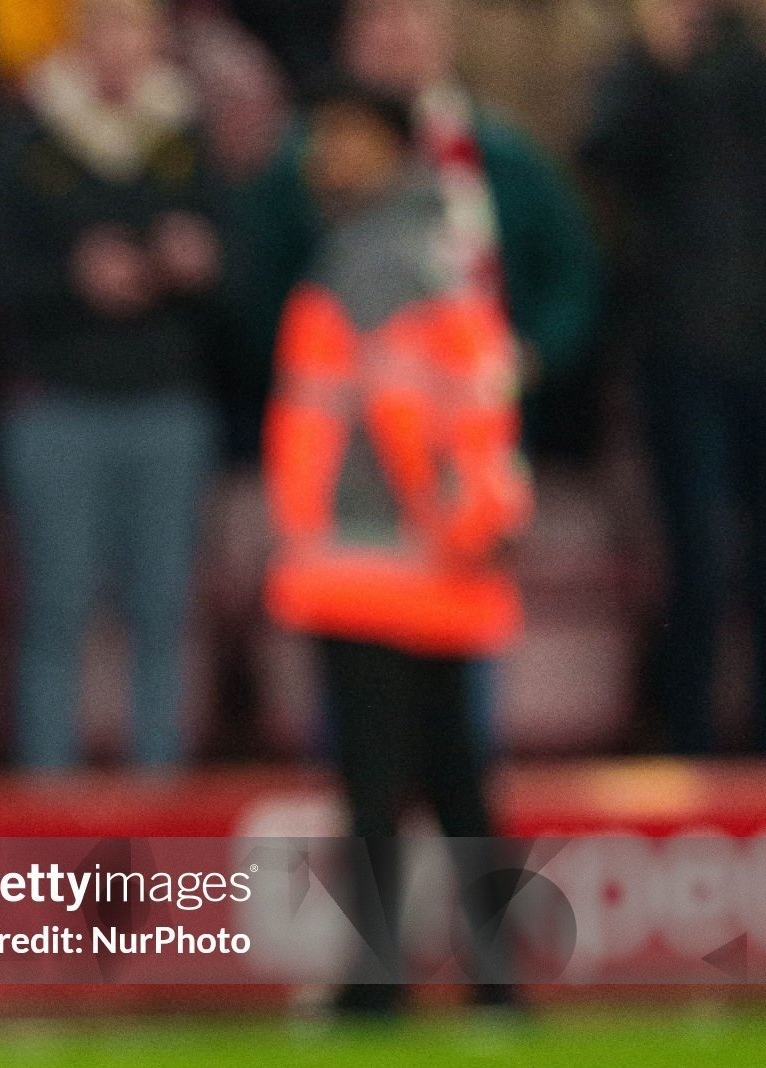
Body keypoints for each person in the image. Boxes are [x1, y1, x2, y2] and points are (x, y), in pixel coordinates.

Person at [261, 83, 530, 1011]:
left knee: (376, 785)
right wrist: (472, 524)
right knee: (456, 781)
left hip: (374, 561)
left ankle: (375, 982)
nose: (325, 155)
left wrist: (442, 521)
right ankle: (497, 977)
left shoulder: (373, 260)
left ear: (389, 148)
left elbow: (404, 404)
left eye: (344, 135)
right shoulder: (430, 247)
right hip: (434, 565)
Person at [0, 0, 224, 770]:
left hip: (167, 404)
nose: (120, 43)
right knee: (55, 606)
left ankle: (161, 788)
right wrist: (70, 278)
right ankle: (46, 791)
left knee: (163, 608)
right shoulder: (24, 137)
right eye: (105, 24)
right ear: (79, 36)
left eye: (135, 26)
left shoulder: (185, 139)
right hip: (56, 403)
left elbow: (244, 278)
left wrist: (200, 264)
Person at [237, 0, 600, 436]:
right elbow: (258, 289)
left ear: (449, 32)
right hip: (340, 428)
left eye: (416, 13)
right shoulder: (300, 162)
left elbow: (571, 273)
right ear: (347, 33)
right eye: (379, 14)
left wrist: (532, 355)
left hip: (476, 423)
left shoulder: (502, 157)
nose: (398, 32)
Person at [581, 0, 766, 753]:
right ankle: (690, 739)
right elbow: (605, 157)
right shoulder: (646, 64)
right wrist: (658, 63)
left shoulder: (748, 64)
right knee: (697, 556)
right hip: (681, 350)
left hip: (749, 346)